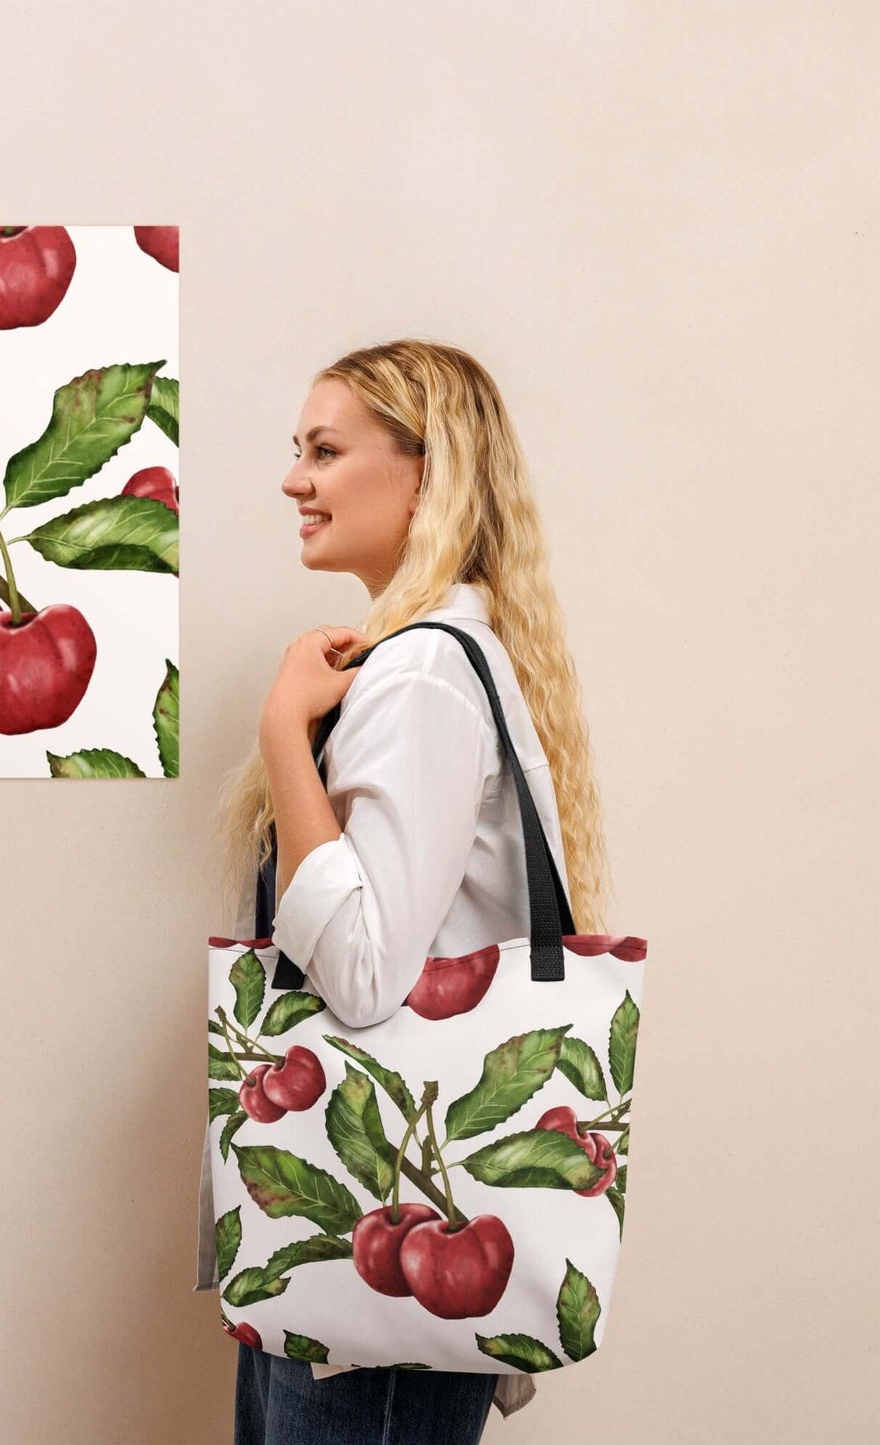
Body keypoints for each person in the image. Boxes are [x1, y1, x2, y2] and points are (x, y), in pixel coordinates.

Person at [196, 339, 617, 1441]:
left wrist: (284, 731)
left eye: (324, 450)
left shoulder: (422, 669)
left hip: (371, 1290)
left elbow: (365, 976)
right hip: (377, 1256)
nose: (294, 478)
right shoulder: (439, 653)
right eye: (297, 451)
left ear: (426, 472)